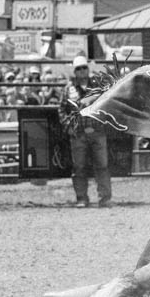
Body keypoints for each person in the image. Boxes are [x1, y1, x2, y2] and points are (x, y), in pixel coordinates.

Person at [59, 55, 113, 208]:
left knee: (102, 165)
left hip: (97, 130)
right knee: (79, 167)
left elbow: (107, 104)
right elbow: (62, 110)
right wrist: (68, 126)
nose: (82, 71)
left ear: (87, 70)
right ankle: (82, 198)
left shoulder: (98, 86)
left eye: (84, 68)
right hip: (79, 133)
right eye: (79, 69)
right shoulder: (67, 89)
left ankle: (105, 198)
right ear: (75, 71)